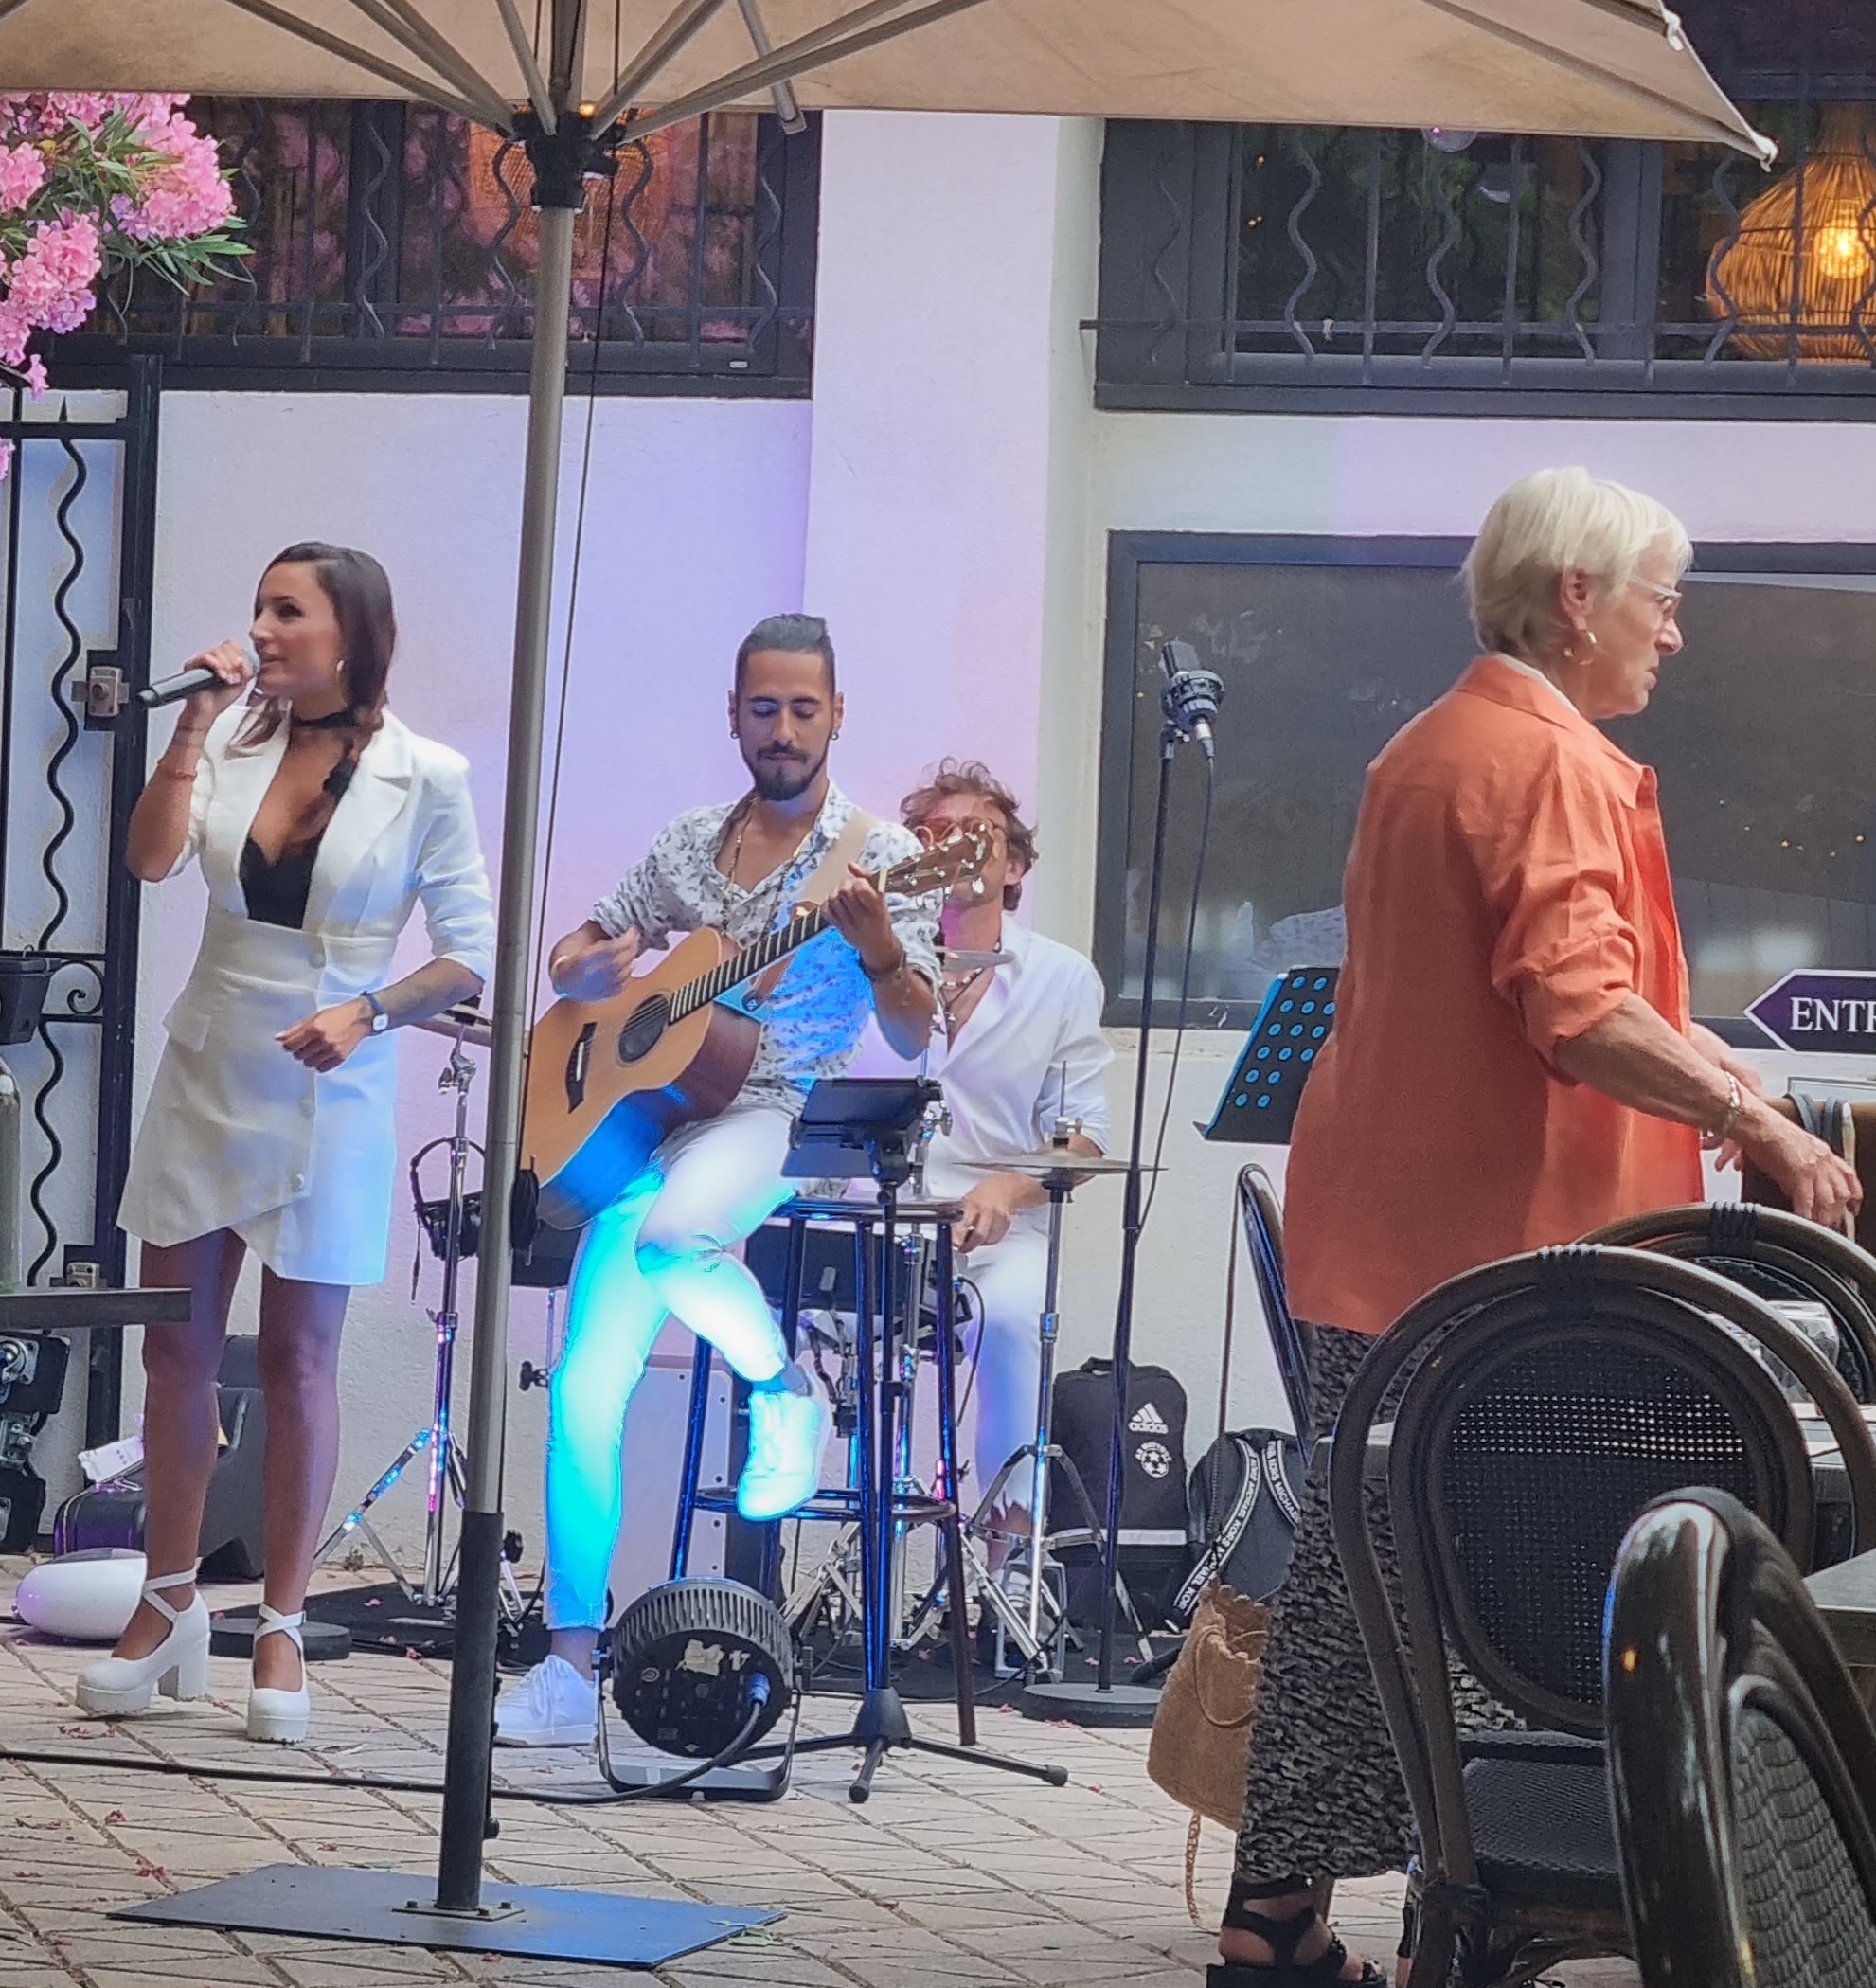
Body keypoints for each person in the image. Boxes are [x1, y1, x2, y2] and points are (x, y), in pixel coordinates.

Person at [1213, 465, 1860, 1988]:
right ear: (1577, 600)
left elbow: (1566, 991)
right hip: (1505, 1255)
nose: (1673, 635)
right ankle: (1488, 1936)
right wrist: (1759, 1124)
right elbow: (1574, 1009)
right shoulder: (1547, 759)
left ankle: (1279, 1921)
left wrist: (1722, 1076)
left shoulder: (1430, 741)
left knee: (1367, 1572)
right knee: (1515, 1588)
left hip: (1390, 1232)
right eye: (1660, 600)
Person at [496, 614, 942, 1751]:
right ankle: (568, 1664)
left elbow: (912, 1029)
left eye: (803, 709)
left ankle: (784, 1393)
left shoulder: (882, 857)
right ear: (734, 714)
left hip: (764, 1109)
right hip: (644, 1123)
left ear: (838, 716)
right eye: (763, 708)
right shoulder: (690, 841)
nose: (783, 730)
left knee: (674, 1245)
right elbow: (582, 952)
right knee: (585, 1391)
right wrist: (585, 967)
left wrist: (881, 947)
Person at [80, 543, 492, 1744]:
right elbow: (150, 859)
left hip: (332, 1073)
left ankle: (280, 1622)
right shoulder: (232, 739)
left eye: (287, 611)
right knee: (174, 1347)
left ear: (350, 635)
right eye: (258, 606)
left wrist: (368, 1012)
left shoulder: (427, 774)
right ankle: (166, 1603)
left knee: (297, 1358)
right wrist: (190, 728)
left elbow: (468, 953)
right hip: (212, 1055)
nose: (261, 629)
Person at [900, 761, 1112, 1525]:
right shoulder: (877, 964)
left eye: (978, 833)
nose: (957, 846)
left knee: (1016, 1318)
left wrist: (1007, 1189)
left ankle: (1007, 1556)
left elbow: (1086, 1139)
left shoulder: (1062, 978)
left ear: (1015, 865)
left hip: (999, 1230)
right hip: (882, 1218)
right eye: (938, 833)